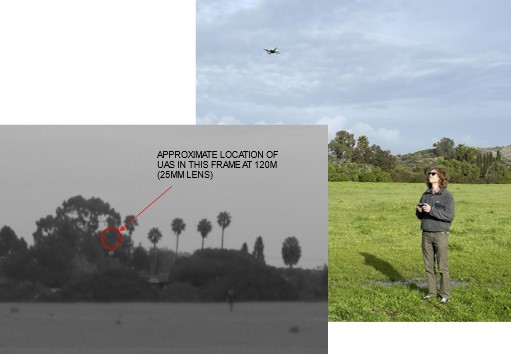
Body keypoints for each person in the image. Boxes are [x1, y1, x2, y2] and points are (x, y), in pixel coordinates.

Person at [416, 167, 455, 304]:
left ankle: (445, 294)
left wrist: (431, 210)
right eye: (429, 173)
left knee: (442, 267)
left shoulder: (447, 195)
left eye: (433, 174)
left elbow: (449, 216)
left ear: (440, 178)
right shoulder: (425, 194)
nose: (430, 175)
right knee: (428, 266)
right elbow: (420, 216)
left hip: (440, 234)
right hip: (426, 234)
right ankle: (432, 293)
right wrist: (419, 211)